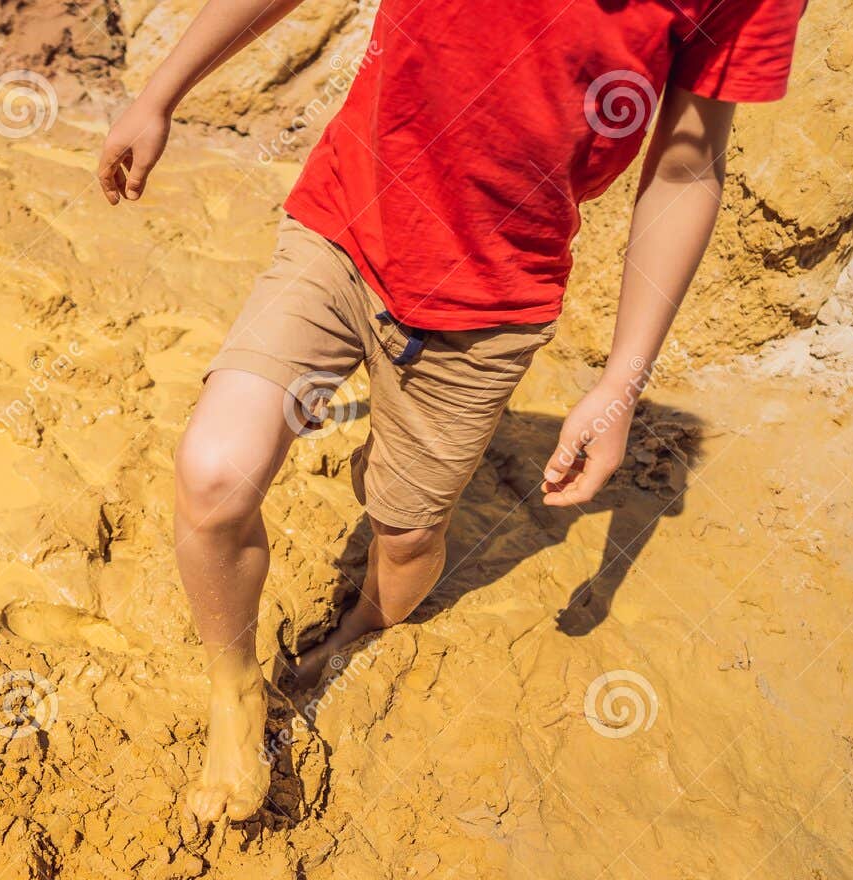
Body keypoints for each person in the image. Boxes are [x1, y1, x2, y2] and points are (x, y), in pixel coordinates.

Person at [97, 0, 805, 825]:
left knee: (404, 537)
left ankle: (362, 622)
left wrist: (621, 383)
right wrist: (160, 93)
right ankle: (235, 691)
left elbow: (686, 168)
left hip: (491, 302)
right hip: (342, 226)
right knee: (214, 477)